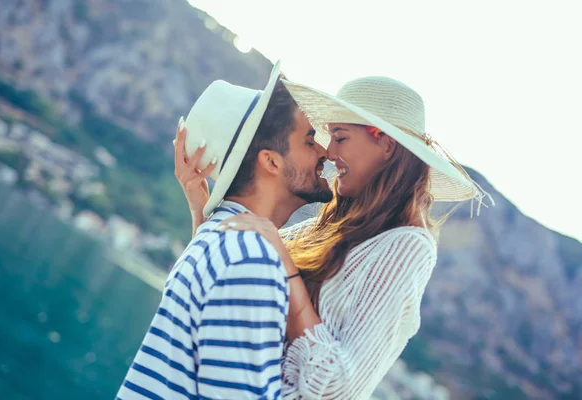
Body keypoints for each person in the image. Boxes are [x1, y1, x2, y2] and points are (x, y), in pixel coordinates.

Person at [176, 74, 493, 399]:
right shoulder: (334, 227)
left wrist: (287, 267)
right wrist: (199, 207)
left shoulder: (409, 246)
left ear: (385, 144)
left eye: (340, 137)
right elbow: (234, 282)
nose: (328, 152)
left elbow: (336, 386)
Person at [116, 62, 333, 399]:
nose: (324, 150)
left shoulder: (214, 235)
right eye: (309, 141)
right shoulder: (254, 262)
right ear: (271, 162)